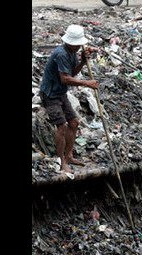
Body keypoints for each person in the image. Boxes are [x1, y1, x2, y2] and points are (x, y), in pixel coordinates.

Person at [39, 25, 99, 173]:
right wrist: (87, 83)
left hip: (61, 93)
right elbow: (65, 79)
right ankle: (61, 162)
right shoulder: (61, 54)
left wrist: (83, 61)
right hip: (50, 94)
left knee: (74, 122)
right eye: (77, 43)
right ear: (71, 42)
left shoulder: (72, 52)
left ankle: (69, 155)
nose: (80, 46)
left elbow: (71, 73)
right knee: (62, 126)